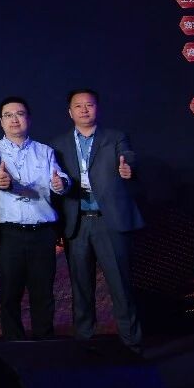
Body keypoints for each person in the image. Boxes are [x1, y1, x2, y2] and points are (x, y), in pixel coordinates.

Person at [51, 89, 143, 353]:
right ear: (70, 112)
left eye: (89, 105)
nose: (84, 109)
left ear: (97, 108)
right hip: (77, 223)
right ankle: (85, 346)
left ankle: (132, 346)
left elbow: (128, 156)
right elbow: (56, 180)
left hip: (109, 222)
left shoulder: (115, 137)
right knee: (80, 288)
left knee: (120, 287)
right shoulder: (58, 144)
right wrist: (59, 186)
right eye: (78, 106)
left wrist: (128, 168)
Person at [0, 97, 69, 341]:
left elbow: (60, 179)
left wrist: (60, 184)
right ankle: (14, 348)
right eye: (8, 115)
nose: (14, 119)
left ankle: (44, 346)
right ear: (1, 121)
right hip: (8, 234)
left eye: (20, 114)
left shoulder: (45, 151)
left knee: (43, 294)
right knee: (9, 295)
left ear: (29, 119)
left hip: (42, 233)